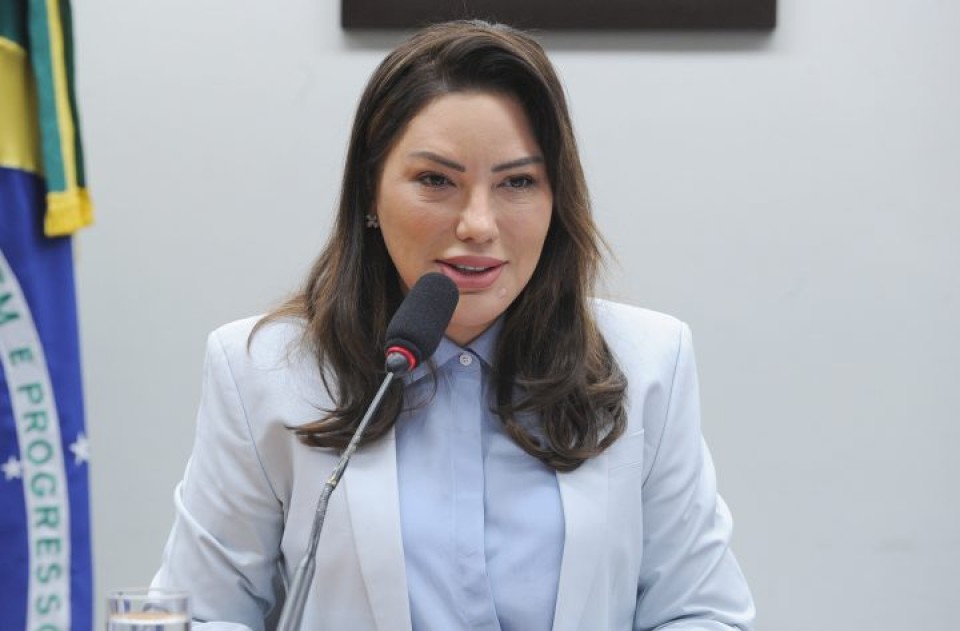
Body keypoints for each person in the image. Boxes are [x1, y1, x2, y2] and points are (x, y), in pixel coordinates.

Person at [153, 20, 755, 631]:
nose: (478, 225)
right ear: (369, 193)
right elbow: (196, 615)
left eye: (517, 182)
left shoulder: (649, 361)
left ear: (557, 198)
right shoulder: (261, 369)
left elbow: (701, 611)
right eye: (436, 181)